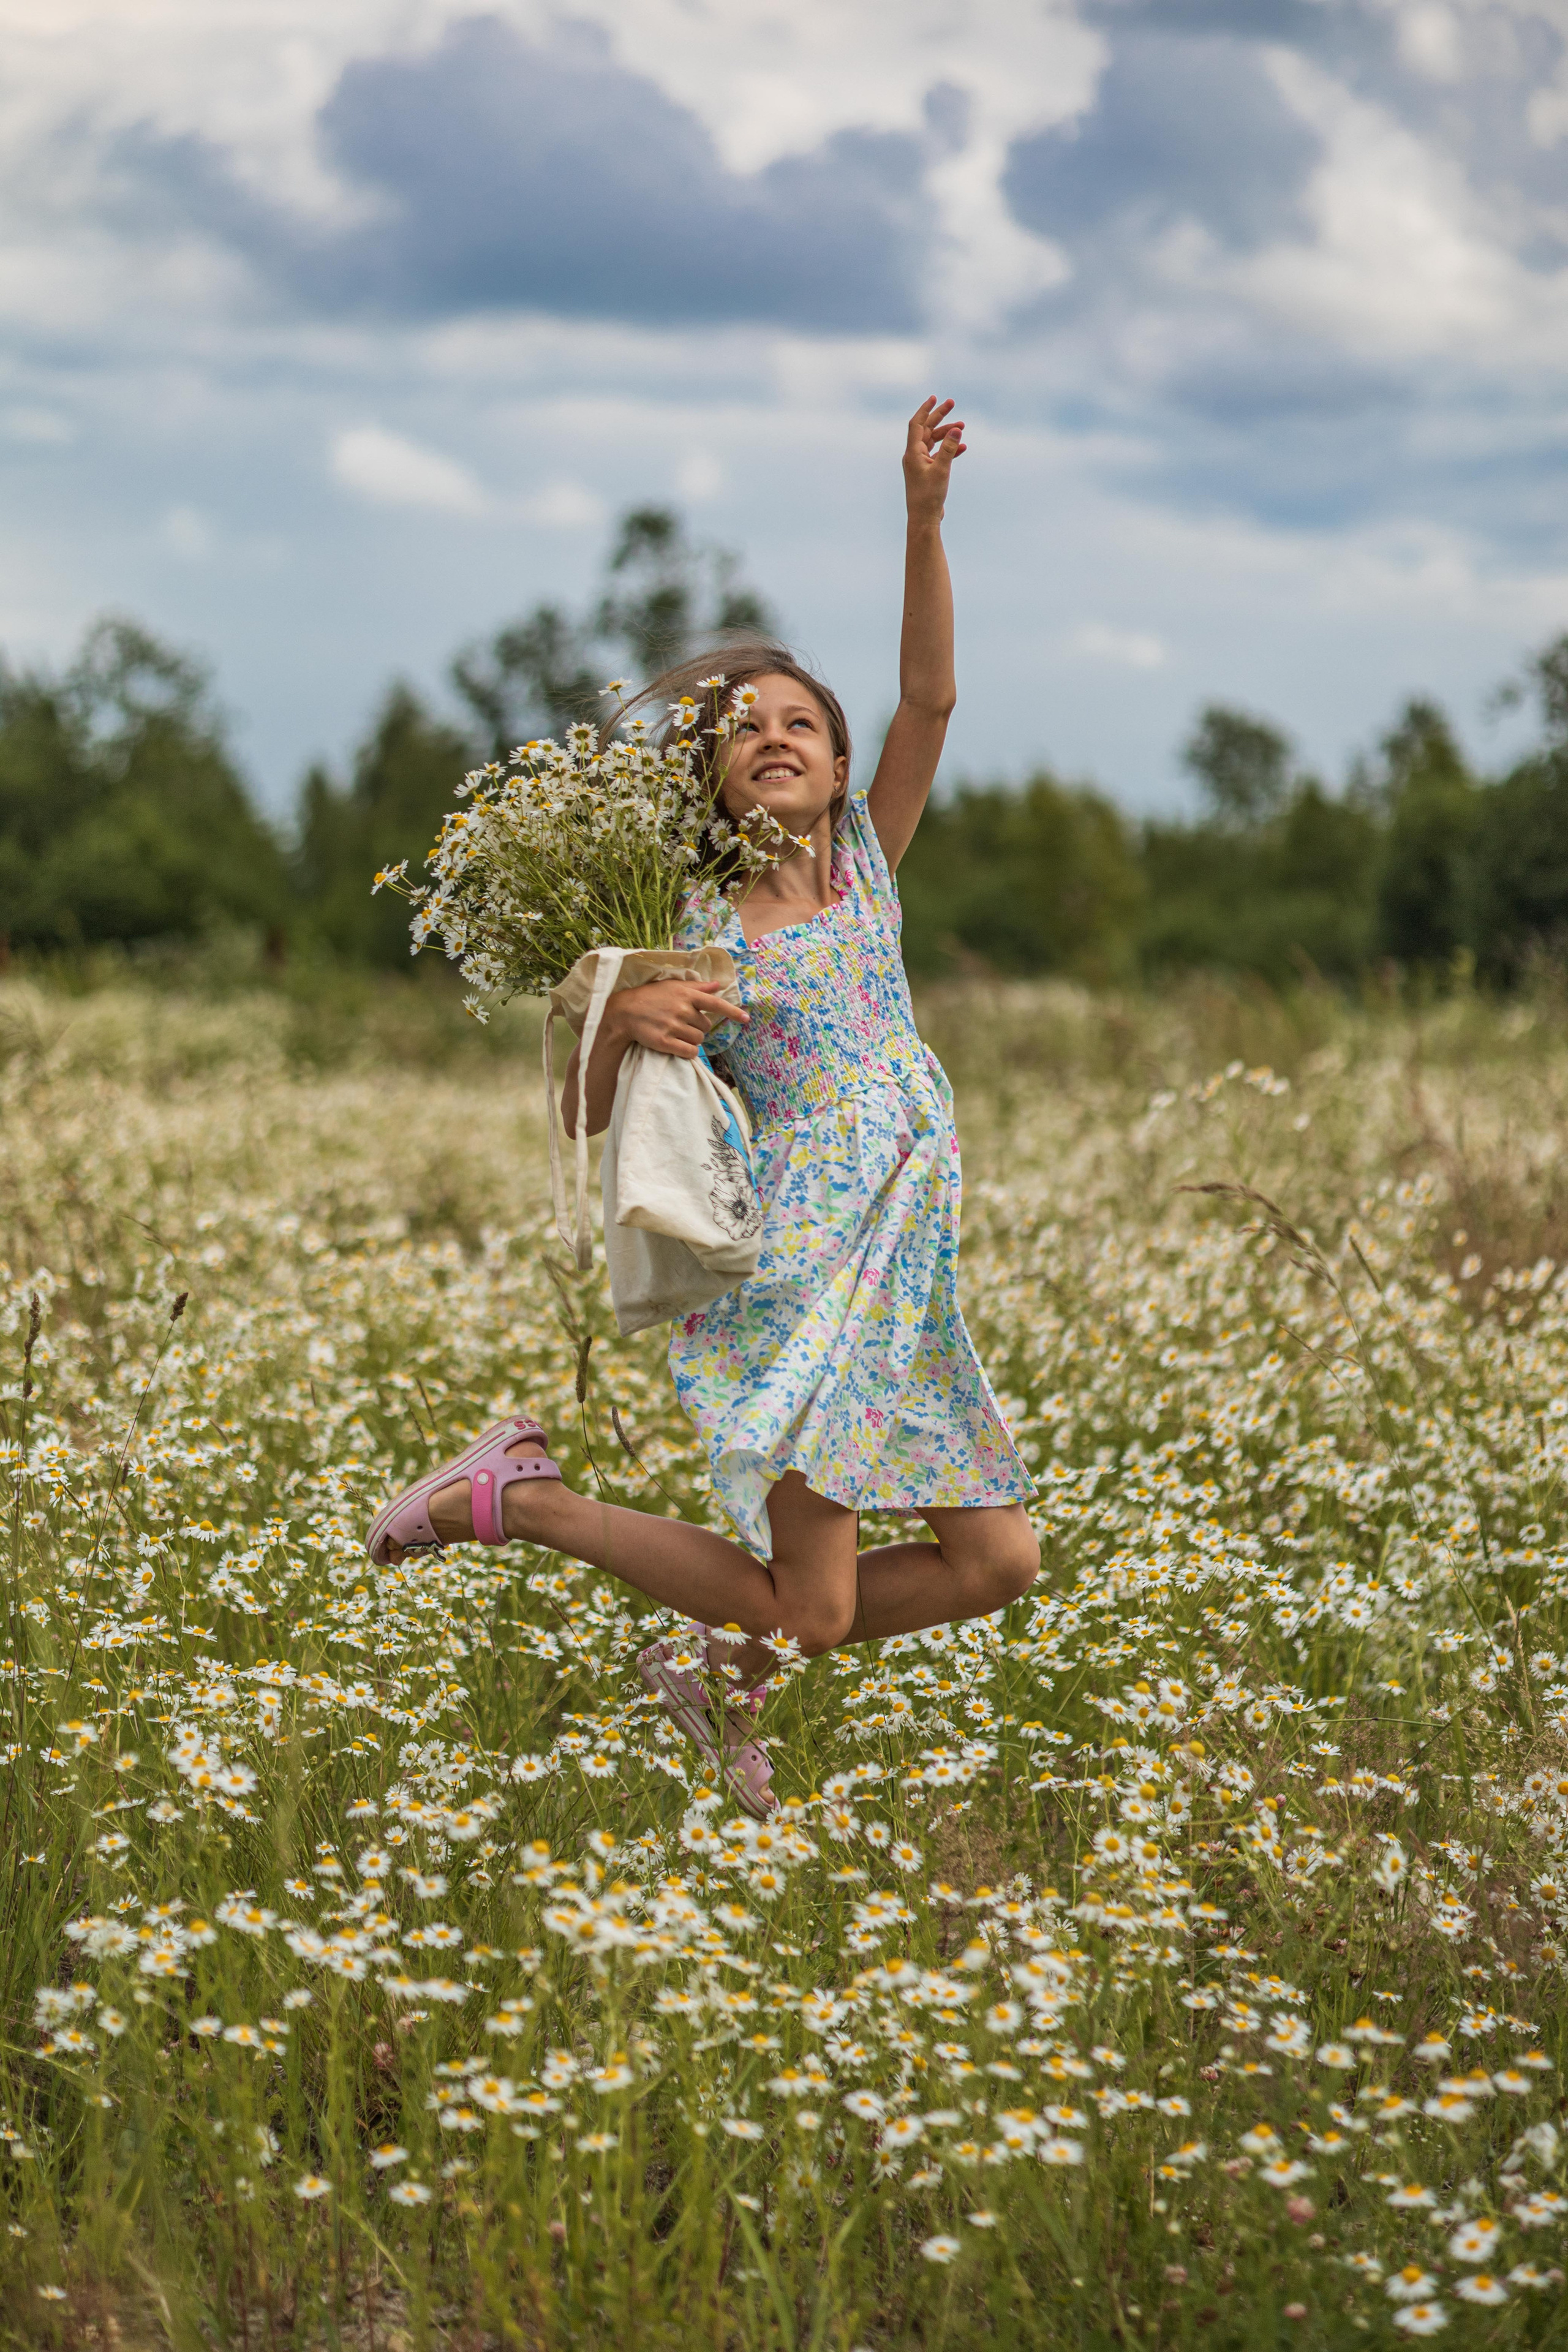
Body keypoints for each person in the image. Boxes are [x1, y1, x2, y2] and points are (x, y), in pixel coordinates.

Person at [368, 398, 1039, 1813]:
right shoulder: (680, 922)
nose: (779, 736)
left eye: (803, 722)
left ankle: (716, 1664)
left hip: (900, 1278)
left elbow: (928, 697)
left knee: (997, 1564)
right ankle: (522, 1500)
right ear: (714, 779)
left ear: (843, 769)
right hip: (799, 1281)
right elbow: (582, 1114)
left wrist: (921, 523)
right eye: (746, 730)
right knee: (813, 1608)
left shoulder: (866, 866)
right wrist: (622, 1015)